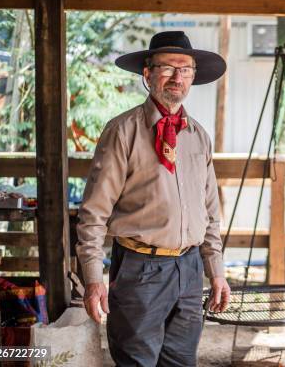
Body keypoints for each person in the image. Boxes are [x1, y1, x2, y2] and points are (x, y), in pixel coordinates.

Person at [75, 31, 231, 366]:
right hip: (140, 270)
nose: (178, 77)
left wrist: (215, 270)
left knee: (180, 361)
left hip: (189, 270)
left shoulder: (198, 136)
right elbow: (93, 213)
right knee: (136, 361)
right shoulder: (123, 131)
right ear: (147, 74)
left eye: (186, 69)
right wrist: (92, 279)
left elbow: (210, 211)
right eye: (168, 68)